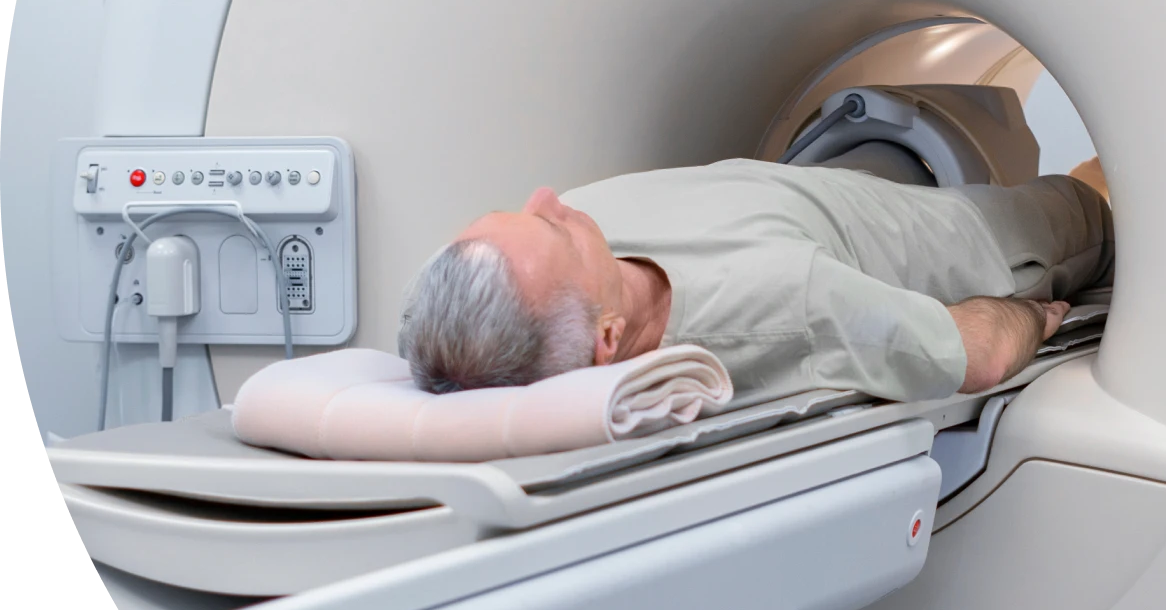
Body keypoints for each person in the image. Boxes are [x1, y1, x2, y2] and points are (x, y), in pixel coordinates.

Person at [399, 156, 1112, 404]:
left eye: (530, 214)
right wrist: (1035, 315)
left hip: (836, 187)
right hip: (968, 239)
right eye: (553, 229)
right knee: (1096, 195)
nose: (551, 199)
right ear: (607, 339)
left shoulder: (573, 275)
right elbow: (975, 355)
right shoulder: (780, 302)